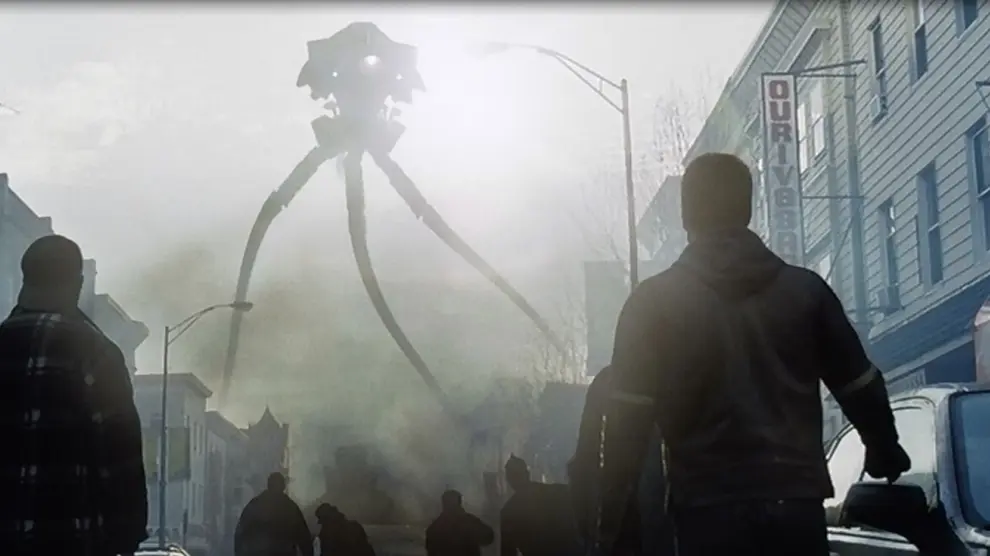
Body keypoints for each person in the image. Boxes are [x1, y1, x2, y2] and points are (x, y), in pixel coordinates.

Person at [597, 153, 912, 556]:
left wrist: (613, 522)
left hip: (707, 509)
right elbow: (859, 383)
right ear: (748, 209)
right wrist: (883, 447)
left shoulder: (651, 304)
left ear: (686, 215)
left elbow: (626, 421)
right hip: (795, 503)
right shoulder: (806, 292)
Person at [0, 235, 148, 556]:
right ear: (77, 285)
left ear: (25, 278)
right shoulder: (97, 353)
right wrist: (126, 534)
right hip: (71, 540)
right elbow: (121, 459)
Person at [500, 455, 580, 556]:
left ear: (508, 479)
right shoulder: (557, 492)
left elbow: (508, 551)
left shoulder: (508, 512)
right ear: (527, 473)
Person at [235, 472, 313, 556]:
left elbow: (241, 532)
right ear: (283, 486)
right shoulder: (290, 507)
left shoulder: (255, 504)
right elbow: (303, 536)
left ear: (268, 485)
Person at [424, 489, 494, 556]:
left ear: (443, 504)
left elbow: (431, 552)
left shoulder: (434, 528)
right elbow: (488, 538)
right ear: (460, 502)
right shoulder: (470, 521)